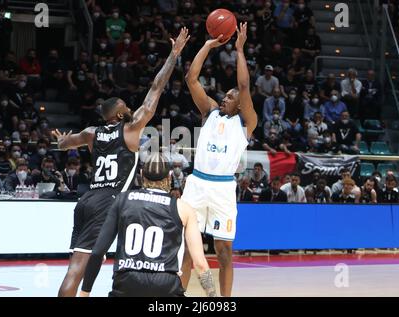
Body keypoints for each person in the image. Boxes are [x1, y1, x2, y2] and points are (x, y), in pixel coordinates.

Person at [53, 28, 190, 297]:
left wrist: (61, 141)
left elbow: (64, 144)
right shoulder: (130, 129)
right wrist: (173, 55)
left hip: (87, 200)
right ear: (118, 113)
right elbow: (155, 89)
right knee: (77, 272)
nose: (130, 108)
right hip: (109, 201)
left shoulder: (92, 133)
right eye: (126, 106)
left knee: (77, 266)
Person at [181, 23, 257, 297]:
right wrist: (207, 46)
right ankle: (178, 297)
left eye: (230, 97)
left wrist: (239, 49)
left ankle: (224, 301)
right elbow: (191, 79)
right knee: (189, 249)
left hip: (223, 188)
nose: (224, 99)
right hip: (197, 184)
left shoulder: (247, 123)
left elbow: (244, 85)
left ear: (240, 105)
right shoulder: (210, 112)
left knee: (224, 251)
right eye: (224, 96)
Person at [79, 153, 217, 297]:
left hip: (127, 283)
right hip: (166, 285)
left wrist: (85, 292)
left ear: (141, 174)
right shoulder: (184, 208)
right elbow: (200, 263)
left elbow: (97, 252)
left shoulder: (122, 199)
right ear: (170, 176)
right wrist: (212, 296)